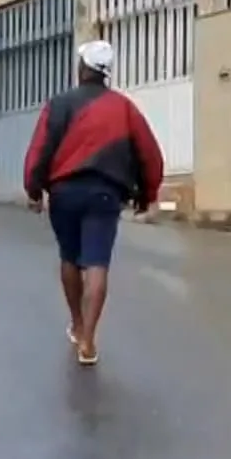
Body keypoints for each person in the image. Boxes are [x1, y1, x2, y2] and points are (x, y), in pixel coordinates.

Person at [23, 40, 164, 366]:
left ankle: (77, 322)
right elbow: (150, 154)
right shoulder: (124, 108)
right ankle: (88, 339)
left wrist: (34, 191)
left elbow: (39, 150)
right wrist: (148, 196)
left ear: (82, 67)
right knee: (97, 263)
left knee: (70, 258)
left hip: (64, 194)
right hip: (105, 194)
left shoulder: (58, 105)